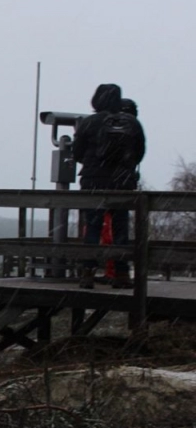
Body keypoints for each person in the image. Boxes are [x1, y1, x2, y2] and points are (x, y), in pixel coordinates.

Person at [72, 84, 146, 289]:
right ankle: (122, 274)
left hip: (93, 181)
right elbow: (140, 152)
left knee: (93, 227)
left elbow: (77, 153)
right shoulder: (132, 123)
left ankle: (87, 273)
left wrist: (93, 164)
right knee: (120, 226)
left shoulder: (89, 123)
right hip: (122, 182)